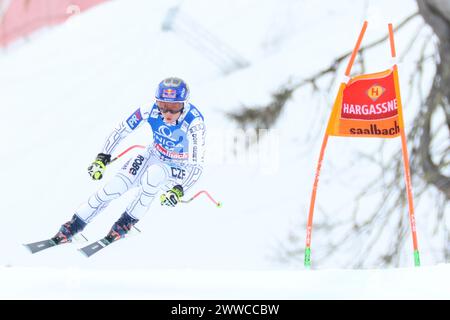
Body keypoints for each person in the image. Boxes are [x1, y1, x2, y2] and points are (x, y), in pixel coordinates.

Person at [52, 77, 206, 244]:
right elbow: (121, 131)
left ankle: (125, 224)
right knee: (114, 186)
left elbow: (196, 166)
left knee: (153, 176)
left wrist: (179, 190)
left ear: (184, 105)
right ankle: (74, 225)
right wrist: (102, 157)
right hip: (153, 154)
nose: (168, 113)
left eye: (174, 107)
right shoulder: (149, 110)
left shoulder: (195, 122)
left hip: (176, 166)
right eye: (163, 106)